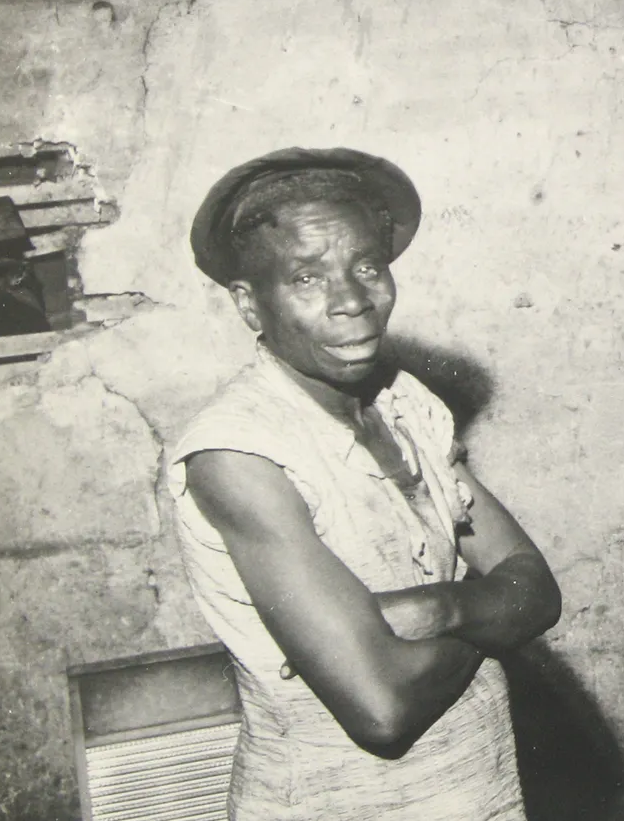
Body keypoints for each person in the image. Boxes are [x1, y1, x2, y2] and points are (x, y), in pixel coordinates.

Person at [169, 147, 560, 820]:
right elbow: (382, 706)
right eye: (306, 277)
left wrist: (437, 609)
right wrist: (490, 611)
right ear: (247, 303)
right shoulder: (238, 453)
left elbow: (540, 591)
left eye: (367, 266)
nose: (352, 301)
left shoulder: (404, 402)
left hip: (476, 785)